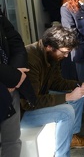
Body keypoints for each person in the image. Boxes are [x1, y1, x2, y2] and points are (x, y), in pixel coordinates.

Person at [21, 26, 84, 157]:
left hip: (37, 100)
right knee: (66, 112)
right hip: (23, 112)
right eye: (65, 52)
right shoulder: (30, 59)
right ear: (49, 47)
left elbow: (56, 82)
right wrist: (68, 97)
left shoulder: (51, 56)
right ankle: (62, 155)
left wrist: (78, 84)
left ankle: (72, 137)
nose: (66, 56)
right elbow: (30, 102)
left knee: (79, 95)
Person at [0, 11, 35, 157]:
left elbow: (16, 43)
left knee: (12, 141)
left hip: (10, 89)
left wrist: (16, 77)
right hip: (6, 84)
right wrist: (12, 76)